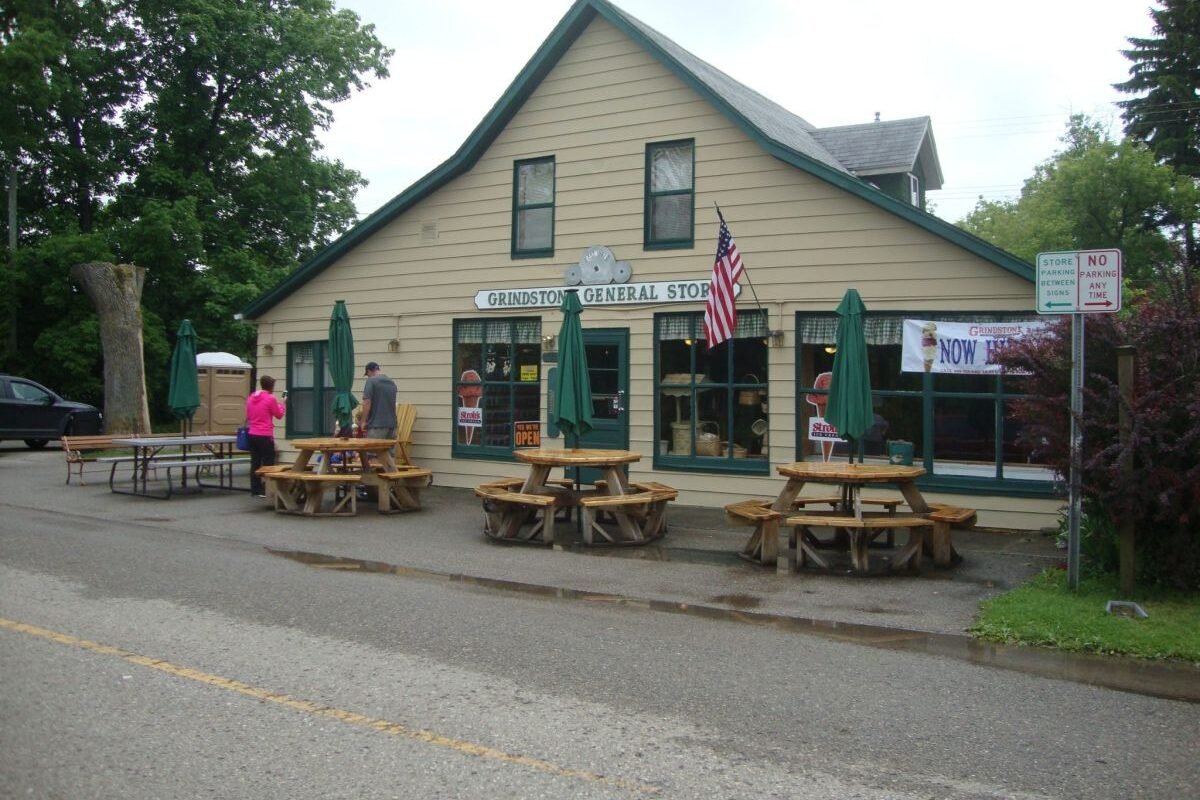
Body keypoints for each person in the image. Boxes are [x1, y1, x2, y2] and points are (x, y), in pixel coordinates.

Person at [245, 375, 286, 498]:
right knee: (268, 462)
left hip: (252, 433)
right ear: (271, 386)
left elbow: (248, 414)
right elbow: (278, 414)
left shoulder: (251, 398)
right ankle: (268, 488)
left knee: (255, 462)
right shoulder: (270, 398)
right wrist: (283, 404)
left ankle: (255, 489)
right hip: (265, 434)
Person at [359, 360, 398, 452]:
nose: (367, 376)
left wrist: (363, 421)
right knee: (388, 456)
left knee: (371, 455)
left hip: (376, 426)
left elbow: (367, 402)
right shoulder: (392, 383)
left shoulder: (371, 381)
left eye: (367, 374)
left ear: (369, 371)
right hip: (392, 426)